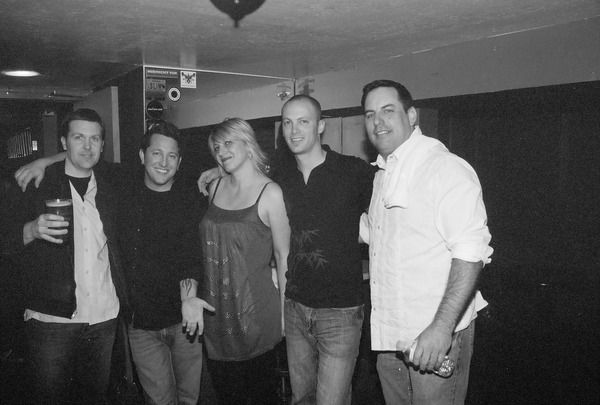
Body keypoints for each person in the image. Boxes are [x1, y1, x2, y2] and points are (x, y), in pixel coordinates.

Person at [14, 120, 215, 405]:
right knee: (159, 400)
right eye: (156, 153)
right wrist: (44, 161)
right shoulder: (122, 185)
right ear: (142, 156)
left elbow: (192, 254)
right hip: (140, 324)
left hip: (184, 319)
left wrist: (221, 170)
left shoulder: (190, 197)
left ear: (180, 162)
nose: (163, 162)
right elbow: (84, 154)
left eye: (172, 156)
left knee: (190, 398)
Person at [199, 96, 375, 405]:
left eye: (303, 122)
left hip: (340, 310)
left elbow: (390, 211)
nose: (294, 130)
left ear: (320, 126)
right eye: (288, 123)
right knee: (301, 397)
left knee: (331, 399)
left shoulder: (352, 170)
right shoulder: (279, 174)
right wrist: (217, 169)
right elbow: (245, 167)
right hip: (294, 307)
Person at [359, 79, 493, 405]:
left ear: (412, 115)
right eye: (370, 114)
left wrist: (441, 329)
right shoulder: (383, 174)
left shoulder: (444, 168)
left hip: (433, 336)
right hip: (391, 337)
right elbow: (376, 236)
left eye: (388, 110)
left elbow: (470, 252)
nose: (377, 121)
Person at [0, 108, 128, 404]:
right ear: (63, 141)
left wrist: (217, 173)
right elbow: (5, 239)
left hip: (103, 316)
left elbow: (156, 171)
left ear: (103, 145)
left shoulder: (111, 181)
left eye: (94, 139)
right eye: (78, 137)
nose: (87, 146)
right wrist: (31, 230)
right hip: (51, 320)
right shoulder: (35, 184)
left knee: (95, 398)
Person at [200, 118, 290, 404]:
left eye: (228, 143)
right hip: (216, 316)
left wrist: (285, 314)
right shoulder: (214, 187)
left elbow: (283, 257)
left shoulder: (271, 193)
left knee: (261, 396)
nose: (221, 151)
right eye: (216, 147)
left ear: (248, 143)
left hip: (256, 315)